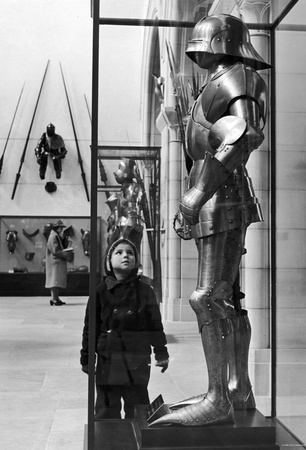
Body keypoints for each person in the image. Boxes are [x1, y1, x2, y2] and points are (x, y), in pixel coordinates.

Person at [151, 14, 271, 427]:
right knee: (229, 298)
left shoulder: (239, 77)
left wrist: (196, 196)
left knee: (207, 298)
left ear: (220, 40)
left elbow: (246, 134)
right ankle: (237, 388)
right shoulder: (216, 81)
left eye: (205, 42)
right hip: (217, 196)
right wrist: (193, 199)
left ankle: (219, 399)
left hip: (224, 197)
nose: (198, 49)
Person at [80, 238, 169, 419]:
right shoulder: (100, 291)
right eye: (119, 252)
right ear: (109, 260)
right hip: (108, 357)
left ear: (136, 261)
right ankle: (108, 443)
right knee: (107, 407)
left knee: (137, 405)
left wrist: (161, 352)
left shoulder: (145, 290)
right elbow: (90, 327)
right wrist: (87, 357)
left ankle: (136, 443)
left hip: (137, 357)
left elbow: (155, 325)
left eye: (130, 253)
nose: (125, 256)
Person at [45, 219, 74, 306]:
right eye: (60, 228)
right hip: (55, 262)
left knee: (56, 281)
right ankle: (54, 299)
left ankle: (56, 298)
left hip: (56, 262)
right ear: (57, 228)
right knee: (54, 281)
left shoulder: (55, 236)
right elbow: (55, 250)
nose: (61, 229)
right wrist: (66, 254)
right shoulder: (53, 237)